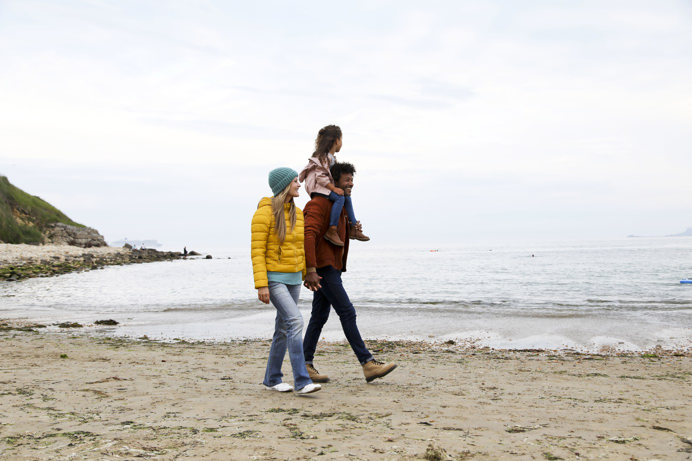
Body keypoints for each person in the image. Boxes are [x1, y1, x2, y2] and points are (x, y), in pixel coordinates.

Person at [302, 162, 397, 383]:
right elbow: (308, 235)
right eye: (347, 180)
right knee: (347, 312)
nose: (351, 184)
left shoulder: (340, 205)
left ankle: (305, 364)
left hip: (331, 266)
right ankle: (367, 363)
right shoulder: (318, 204)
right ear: (333, 182)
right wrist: (310, 269)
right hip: (324, 269)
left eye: (352, 180)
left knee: (319, 317)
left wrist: (352, 231)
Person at [251, 167, 321, 395]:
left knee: (282, 329)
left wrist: (307, 273)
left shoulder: (297, 213)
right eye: (294, 181)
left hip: (293, 278)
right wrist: (261, 284)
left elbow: (300, 247)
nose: (299, 184)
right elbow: (257, 252)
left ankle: (272, 378)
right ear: (283, 186)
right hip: (274, 279)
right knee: (295, 322)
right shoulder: (263, 214)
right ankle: (302, 381)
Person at [299, 125, 369, 247]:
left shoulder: (331, 158)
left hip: (324, 187)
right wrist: (334, 188)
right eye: (341, 140)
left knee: (346, 197)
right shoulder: (323, 156)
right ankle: (332, 230)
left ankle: (353, 227)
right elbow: (320, 177)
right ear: (336, 140)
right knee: (340, 198)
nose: (342, 143)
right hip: (317, 187)